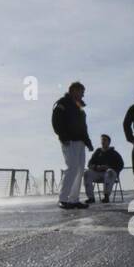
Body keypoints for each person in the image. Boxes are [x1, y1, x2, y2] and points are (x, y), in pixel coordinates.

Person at [51, 81, 93, 209]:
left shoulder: (79, 107)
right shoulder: (62, 103)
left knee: (80, 169)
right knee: (72, 168)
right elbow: (56, 121)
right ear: (74, 90)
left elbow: (83, 127)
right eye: (82, 92)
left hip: (80, 142)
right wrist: (63, 137)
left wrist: (88, 142)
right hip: (69, 141)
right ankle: (63, 198)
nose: (83, 95)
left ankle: (74, 199)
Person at [84, 135, 124, 203]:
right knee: (87, 173)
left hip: (109, 174)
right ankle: (91, 198)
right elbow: (89, 164)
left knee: (109, 172)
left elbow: (121, 164)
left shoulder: (114, 153)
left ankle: (106, 197)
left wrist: (109, 168)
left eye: (105, 140)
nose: (103, 142)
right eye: (102, 140)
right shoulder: (98, 152)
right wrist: (96, 167)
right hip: (98, 173)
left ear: (109, 142)